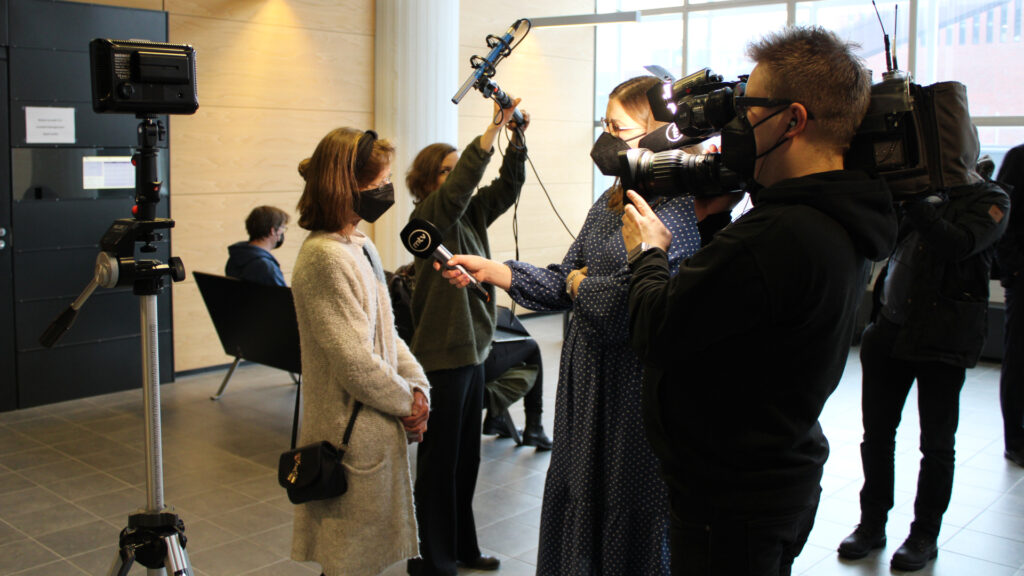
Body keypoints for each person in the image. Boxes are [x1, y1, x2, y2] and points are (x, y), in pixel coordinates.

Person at [623, 27, 898, 576]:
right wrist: (717, 220)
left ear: (792, 120)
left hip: (730, 501)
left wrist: (648, 253)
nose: (737, 124)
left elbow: (657, 328)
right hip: (777, 475)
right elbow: (743, 313)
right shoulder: (835, 216)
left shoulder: (779, 235)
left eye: (748, 108)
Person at [438, 75, 703, 575]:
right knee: (580, 498)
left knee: (628, 507)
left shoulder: (682, 210)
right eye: (605, 124)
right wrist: (494, 271)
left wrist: (584, 286)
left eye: (618, 128)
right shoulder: (609, 204)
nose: (606, 138)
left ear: (661, 133)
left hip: (632, 391)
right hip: (585, 385)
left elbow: (626, 306)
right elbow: (564, 278)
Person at [836, 107, 1010, 571]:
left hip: (944, 339)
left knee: (936, 445)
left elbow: (959, 244)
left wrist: (918, 202)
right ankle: (871, 524)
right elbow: (880, 242)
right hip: (888, 332)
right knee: (877, 437)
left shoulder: (991, 198)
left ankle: (924, 535)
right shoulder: (918, 195)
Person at [289, 127, 430, 576]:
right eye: (380, 182)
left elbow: (387, 332)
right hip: (349, 434)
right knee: (348, 562)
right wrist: (407, 402)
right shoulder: (324, 257)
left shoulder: (360, 245)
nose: (387, 190)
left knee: (363, 558)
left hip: (376, 426)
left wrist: (419, 388)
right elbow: (355, 362)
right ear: (346, 187)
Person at [404, 99, 528, 576]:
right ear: (427, 182)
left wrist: (516, 139)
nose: (457, 177)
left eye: (458, 168)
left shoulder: (470, 215)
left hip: (473, 352)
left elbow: (507, 188)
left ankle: (462, 546)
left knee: (465, 461)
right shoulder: (428, 217)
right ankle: (432, 560)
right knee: (439, 464)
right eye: (447, 170)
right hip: (443, 356)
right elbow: (460, 189)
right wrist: (492, 128)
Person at [481, 306, 552, 450]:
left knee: (506, 345)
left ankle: (497, 418)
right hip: (469, 362)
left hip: (439, 364)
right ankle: (534, 428)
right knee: (531, 347)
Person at [997, 143, 1024, 466]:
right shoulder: (1019, 158)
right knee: (1018, 361)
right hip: (1022, 281)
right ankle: (1015, 440)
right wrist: (1014, 271)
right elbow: (1001, 217)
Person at [225, 205, 290, 286]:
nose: (283, 232)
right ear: (273, 231)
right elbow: (282, 293)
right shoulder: (266, 267)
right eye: (282, 227)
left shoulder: (236, 258)